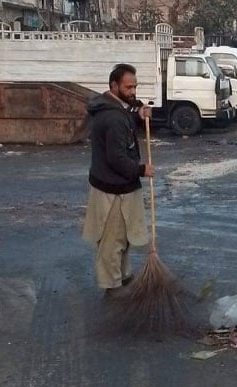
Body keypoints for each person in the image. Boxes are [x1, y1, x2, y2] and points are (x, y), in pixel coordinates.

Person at [82, 63, 153, 295]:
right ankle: (112, 286)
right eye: (128, 87)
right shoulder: (112, 118)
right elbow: (116, 158)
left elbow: (125, 120)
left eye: (135, 86)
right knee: (112, 241)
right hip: (112, 190)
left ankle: (121, 276)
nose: (133, 92)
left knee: (122, 238)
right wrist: (142, 170)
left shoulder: (116, 109)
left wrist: (138, 115)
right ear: (114, 85)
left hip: (119, 186)